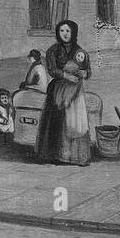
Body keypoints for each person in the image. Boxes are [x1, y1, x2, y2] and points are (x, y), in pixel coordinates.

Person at [37, 20, 93, 166]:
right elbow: (52, 70)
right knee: (58, 120)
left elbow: (88, 71)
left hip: (75, 92)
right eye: (62, 31)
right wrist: (66, 76)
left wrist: (83, 73)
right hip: (58, 90)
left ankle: (76, 156)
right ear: (58, 33)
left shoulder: (80, 51)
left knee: (76, 122)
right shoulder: (53, 50)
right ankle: (56, 155)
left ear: (73, 32)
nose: (65, 34)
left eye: (68, 31)